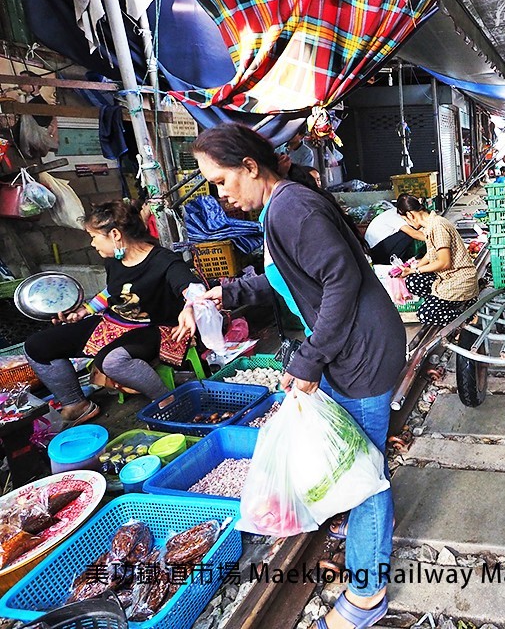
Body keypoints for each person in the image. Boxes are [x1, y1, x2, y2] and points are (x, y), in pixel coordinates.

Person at [191, 123, 403, 628]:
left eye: (222, 181)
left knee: (366, 475)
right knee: (355, 460)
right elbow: (290, 275)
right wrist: (230, 293)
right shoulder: (280, 206)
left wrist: (309, 360)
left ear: (249, 167)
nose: (221, 195)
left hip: (362, 353)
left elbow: (340, 279)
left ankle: (370, 597)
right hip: (351, 348)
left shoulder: (290, 207)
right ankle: (360, 553)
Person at [24, 201, 199, 425]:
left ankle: (168, 401)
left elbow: (193, 289)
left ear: (115, 234)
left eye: (95, 236)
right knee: (37, 346)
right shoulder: (113, 261)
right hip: (113, 322)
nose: (92, 243)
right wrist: (84, 311)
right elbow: (113, 291)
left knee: (112, 361)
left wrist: (190, 306)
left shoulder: (164, 261)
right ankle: (75, 404)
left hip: (155, 328)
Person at [395, 194, 480, 325]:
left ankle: (468, 316)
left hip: (460, 280)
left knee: (426, 314)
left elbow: (444, 263)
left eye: (405, 219)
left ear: (410, 215)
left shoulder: (437, 226)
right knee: (413, 281)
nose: (408, 223)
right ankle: (443, 302)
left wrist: (416, 270)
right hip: (447, 278)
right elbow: (431, 254)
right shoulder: (430, 226)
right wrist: (410, 270)